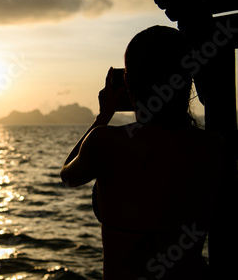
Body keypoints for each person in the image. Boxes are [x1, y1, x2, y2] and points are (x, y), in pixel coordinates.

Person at [61, 26, 227, 279]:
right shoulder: (213, 146)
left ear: (127, 83)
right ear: (186, 79)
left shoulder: (106, 142)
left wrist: (103, 115)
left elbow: (68, 175)